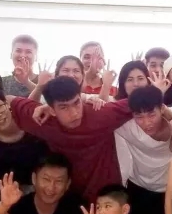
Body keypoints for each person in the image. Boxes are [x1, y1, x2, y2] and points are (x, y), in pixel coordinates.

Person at [9, 76, 134, 204]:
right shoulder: (43, 120)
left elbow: (140, 100)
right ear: (52, 110)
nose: (74, 113)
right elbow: (7, 99)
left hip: (108, 196)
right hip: (67, 197)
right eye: (64, 107)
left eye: (76, 103)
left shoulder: (100, 114)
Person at [115, 85, 172, 214]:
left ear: (162, 109)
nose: (146, 122)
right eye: (139, 117)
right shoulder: (127, 127)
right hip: (139, 190)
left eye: (152, 115)